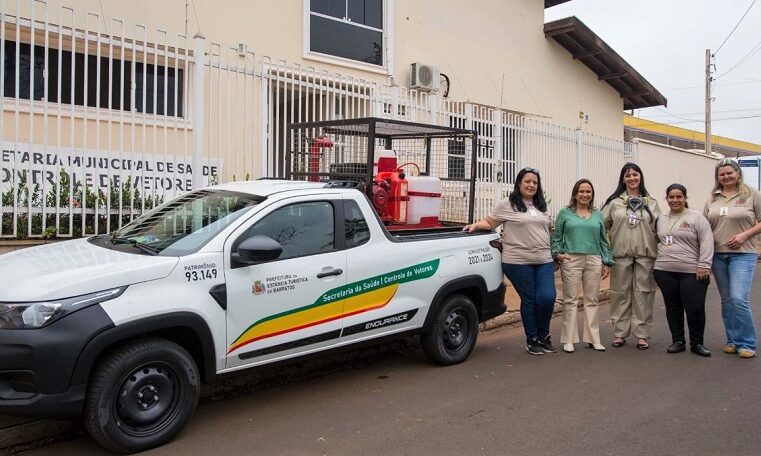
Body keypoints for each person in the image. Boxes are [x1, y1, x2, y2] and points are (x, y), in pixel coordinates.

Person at [464, 167, 556, 356]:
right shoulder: (507, 204)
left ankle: (544, 335)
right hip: (517, 261)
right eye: (527, 181)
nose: (531, 185)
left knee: (547, 297)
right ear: (519, 183)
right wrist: (475, 225)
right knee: (530, 299)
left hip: (544, 259)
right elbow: (491, 222)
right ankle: (533, 339)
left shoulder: (541, 205)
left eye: (535, 182)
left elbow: (548, 230)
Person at [703, 158, 761, 359]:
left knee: (738, 298)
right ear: (717, 177)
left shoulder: (752, 194)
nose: (726, 177)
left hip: (743, 254)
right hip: (718, 255)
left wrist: (744, 235)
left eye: (730, 173)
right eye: (722, 174)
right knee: (727, 299)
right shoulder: (712, 198)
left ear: (738, 174)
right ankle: (733, 340)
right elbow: (704, 228)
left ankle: (747, 342)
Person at [602, 162, 660, 350]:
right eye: (628, 175)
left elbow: (660, 228)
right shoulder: (615, 202)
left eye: (635, 175)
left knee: (643, 294)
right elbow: (601, 226)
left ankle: (642, 335)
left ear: (640, 177)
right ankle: (620, 333)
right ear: (623, 179)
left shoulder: (651, 202)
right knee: (620, 294)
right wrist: (605, 252)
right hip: (620, 255)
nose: (632, 178)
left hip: (645, 255)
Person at [551, 179, 613, 353]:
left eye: (588, 192)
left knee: (592, 300)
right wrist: (557, 254)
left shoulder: (597, 214)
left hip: (594, 258)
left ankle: (593, 339)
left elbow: (603, 239)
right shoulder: (565, 213)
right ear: (575, 194)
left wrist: (606, 261)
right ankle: (569, 339)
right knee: (571, 299)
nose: (585, 195)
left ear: (592, 194)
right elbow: (557, 236)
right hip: (571, 259)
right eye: (581, 191)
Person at [653, 184, 713, 357]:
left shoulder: (696, 217)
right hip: (664, 270)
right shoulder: (661, 218)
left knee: (695, 308)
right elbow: (655, 240)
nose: (675, 200)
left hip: (692, 271)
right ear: (666, 199)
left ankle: (697, 343)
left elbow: (707, 241)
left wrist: (704, 265)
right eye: (671, 197)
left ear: (685, 198)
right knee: (673, 307)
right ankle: (678, 341)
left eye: (679, 197)